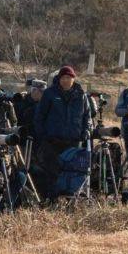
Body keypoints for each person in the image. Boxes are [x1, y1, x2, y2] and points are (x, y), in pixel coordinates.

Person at [34, 66, 92, 195]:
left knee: (72, 173)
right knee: (52, 173)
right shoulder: (50, 93)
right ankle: (51, 200)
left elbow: (87, 116)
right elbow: (39, 116)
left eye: (69, 78)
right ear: (59, 79)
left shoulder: (81, 95)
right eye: (63, 78)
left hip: (73, 142)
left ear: (73, 79)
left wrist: (86, 130)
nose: (66, 80)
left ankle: (70, 200)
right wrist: (43, 135)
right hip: (53, 141)